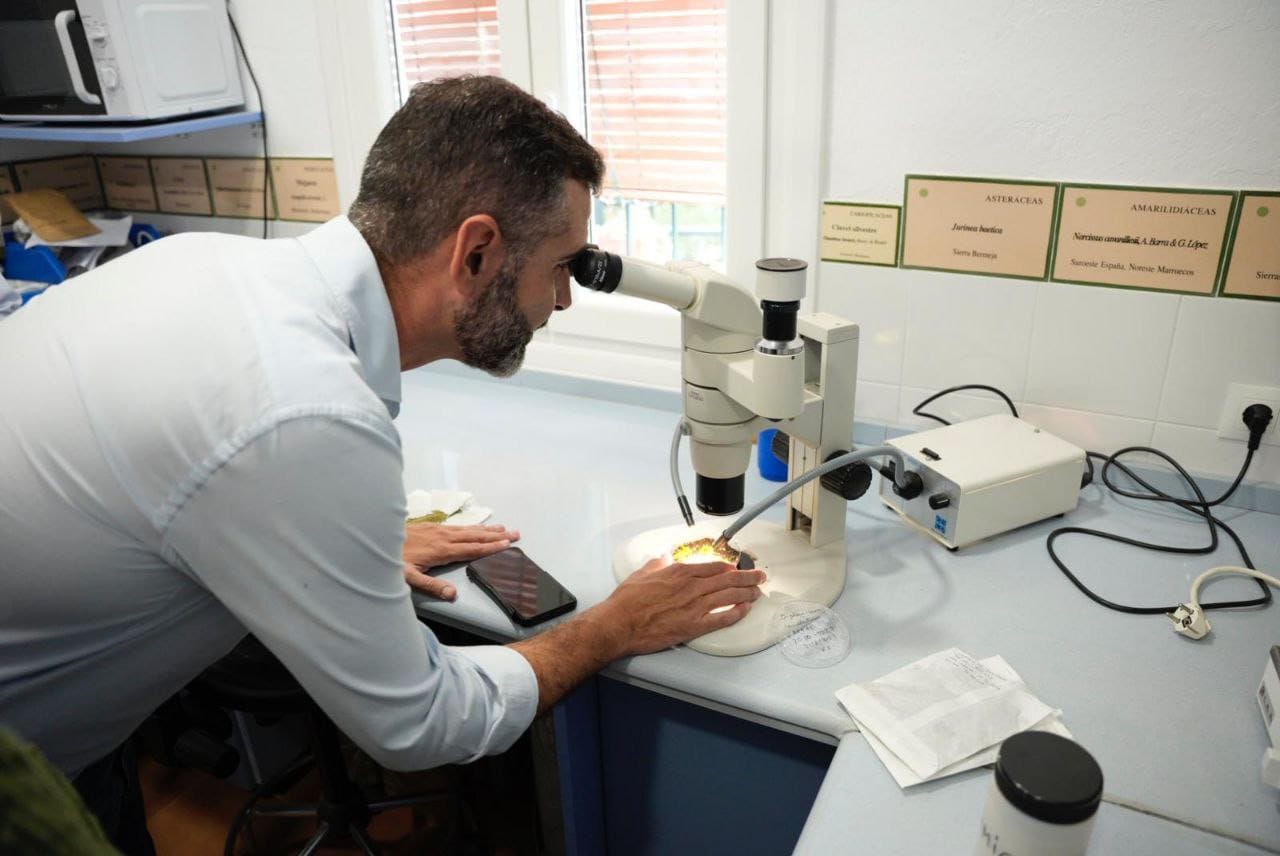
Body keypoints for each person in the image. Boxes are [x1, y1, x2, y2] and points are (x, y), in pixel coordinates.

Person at [0, 75, 764, 853]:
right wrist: (612, 626)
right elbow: (421, 722)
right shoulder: (305, 412)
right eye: (561, 267)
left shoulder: (210, 269)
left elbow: (188, 481)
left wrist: (340, 546)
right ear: (476, 252)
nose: (562, 301)